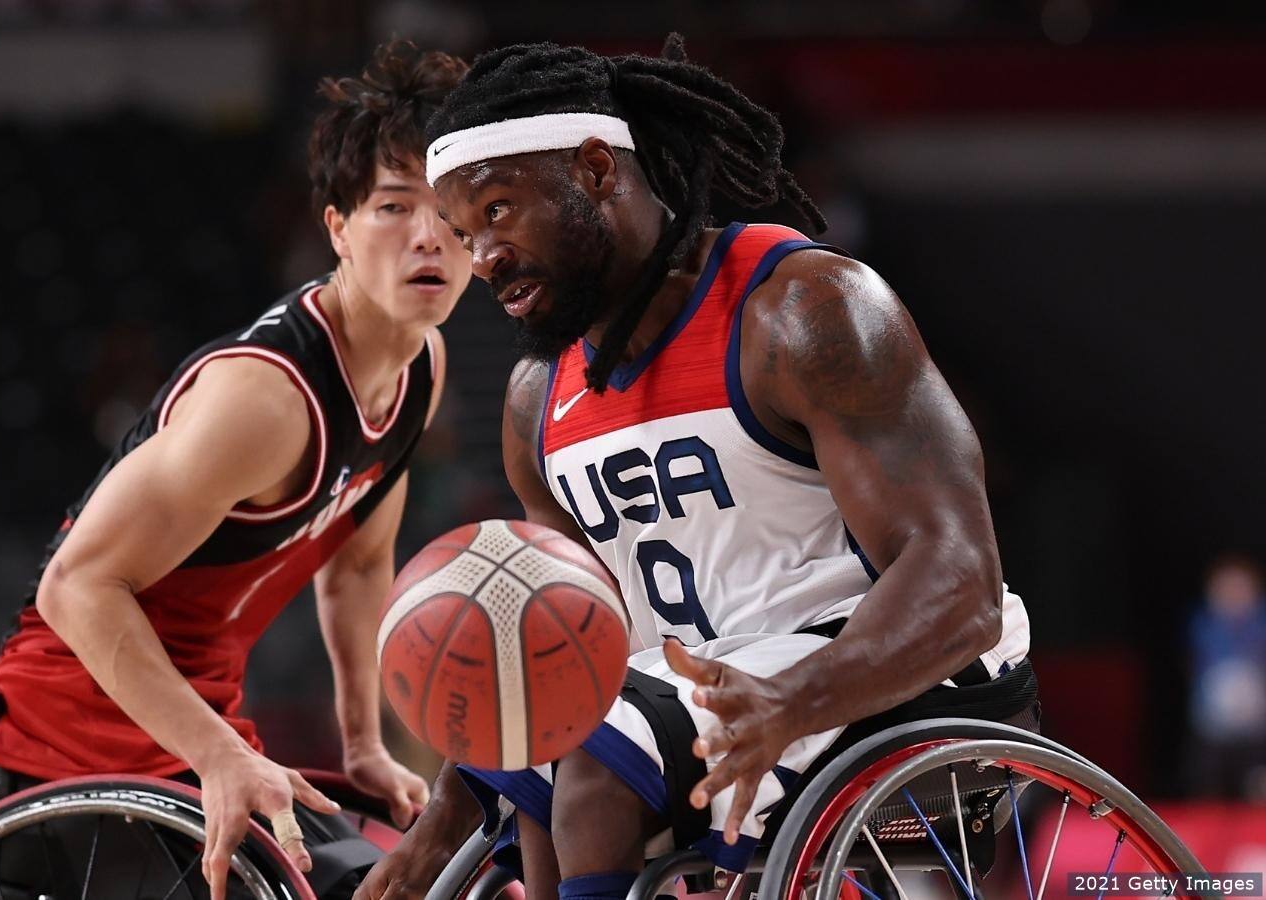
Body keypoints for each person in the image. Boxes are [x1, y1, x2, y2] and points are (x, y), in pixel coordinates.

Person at [358, 35, 1036, 900]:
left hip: (919, 688)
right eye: (462, 232)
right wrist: (434, 836)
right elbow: (549, 649)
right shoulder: (538, 399)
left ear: (599, 171)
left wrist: (793, 699)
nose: (479, 257)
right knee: (538, 762)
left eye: (497, 211)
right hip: (706, 702)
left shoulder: (803, 311)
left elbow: (963, 584)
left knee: (594, 764)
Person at [0, 40, 472, 900]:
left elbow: (356, 565)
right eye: (393, 207)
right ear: (337, 229)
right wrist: (222, 755)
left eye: (452, 210)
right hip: (65, 750)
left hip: (193, 746)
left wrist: (363, 744)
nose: (429, 236)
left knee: (398, 885)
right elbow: (74, 587)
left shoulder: (423, 366)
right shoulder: (264, 399)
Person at [1186, 554, 1266, 799]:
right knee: (1207, 787)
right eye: (1225, 587)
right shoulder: (1202, 626)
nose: (1233, 594)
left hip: (1257, 730)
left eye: (1239, 587)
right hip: (1213, 729)